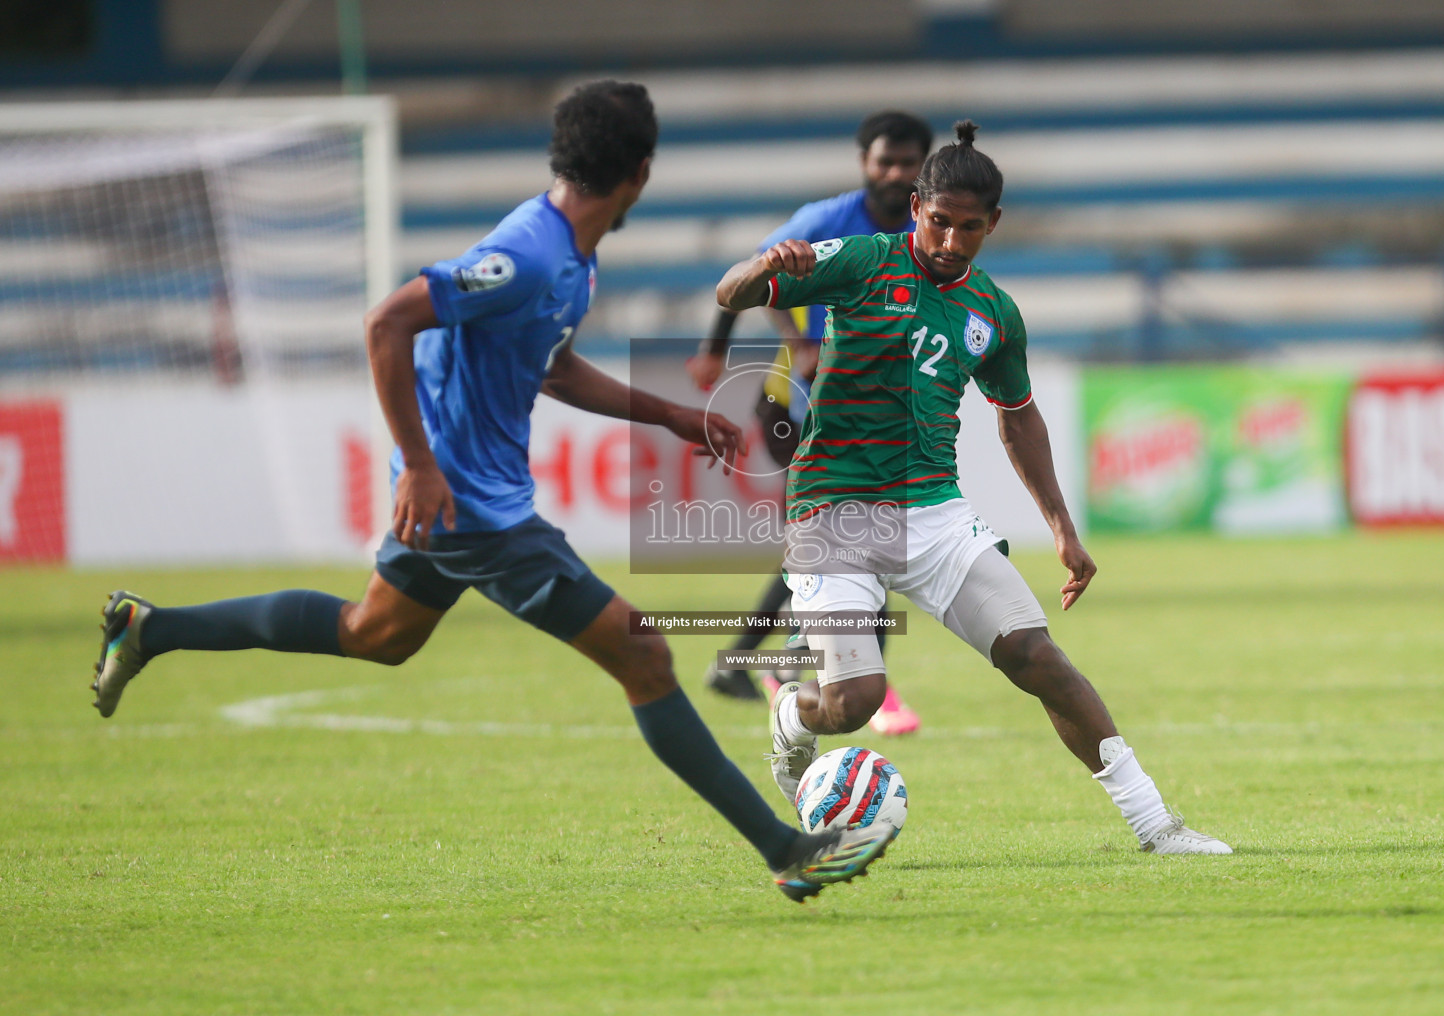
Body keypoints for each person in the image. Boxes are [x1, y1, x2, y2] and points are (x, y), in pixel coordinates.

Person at [89, 80, 894, 901]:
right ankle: (787, 850)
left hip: (462, 499)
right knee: (645, 655)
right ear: (640, 173)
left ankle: (148, 630)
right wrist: (423, 462)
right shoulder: (530, 255)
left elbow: (549, 364)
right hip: (474, 508)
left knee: (375, 633)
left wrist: (672, 416)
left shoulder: (568, 259)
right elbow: (388, 322)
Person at [715, 120, 1232, 855]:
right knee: (853, 704)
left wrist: (1061, 526)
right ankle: (793, 719)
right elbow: (730, 293)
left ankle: (1157, 826)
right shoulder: (860, 262)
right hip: (833, 514)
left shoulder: (994, 312)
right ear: (916, 209)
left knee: (1038, 658)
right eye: (938, 223)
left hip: (934, 514)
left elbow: (1018, 422)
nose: (951, 242)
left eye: (969, 229)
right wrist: (768, 262)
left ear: (994, 224)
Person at [686, 110, 931, 737]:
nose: (895, 173)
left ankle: (755, 663)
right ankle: (816, 666)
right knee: (861, 535)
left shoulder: (928, 229)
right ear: (865, 164)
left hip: (867, 413)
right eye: (885, 161)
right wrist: (737, 348)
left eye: (908, 163)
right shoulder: (827, 220)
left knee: (837, 543)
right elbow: (753, 275)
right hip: (796, 407)